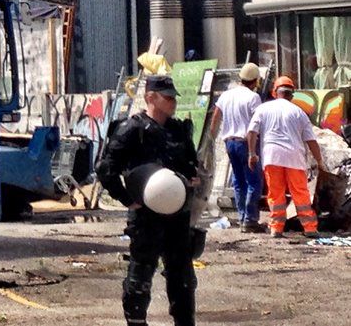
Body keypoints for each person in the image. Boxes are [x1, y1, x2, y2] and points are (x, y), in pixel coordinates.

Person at [97, 75, 200, 326]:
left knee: (183, 277)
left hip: (177, 215)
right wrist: (126, 199)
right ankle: (136, 321)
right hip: (146, 216)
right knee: (141, 273)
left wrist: (191, 182)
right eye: (167, 97)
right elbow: (105, 168)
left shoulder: (179, 130)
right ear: (150, 97)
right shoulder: (132, 129)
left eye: (174, 97)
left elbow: (191, 165)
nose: (173, 101)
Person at [247, 76, 325, 239]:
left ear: (275, 92)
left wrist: (252, 153)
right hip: (294, 158)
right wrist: (319, 161)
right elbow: (311, 140)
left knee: (276, 194)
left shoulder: (263, 109)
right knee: (300, 193)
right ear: (292, 95)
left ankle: (276, 228)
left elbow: (252, 131)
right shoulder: (299, 113)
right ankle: (310, 228)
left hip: (272, 156)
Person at [208, 62, 265, 233]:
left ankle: (241, 218)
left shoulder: (226, 95)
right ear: (255, 81)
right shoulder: (253, 97)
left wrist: (213, 139)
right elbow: (255, 124)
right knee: (254, 181)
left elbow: (215, 119)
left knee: (239, 181)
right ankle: (250, 220)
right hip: (245, 142)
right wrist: (252, 151)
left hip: (229, 142)